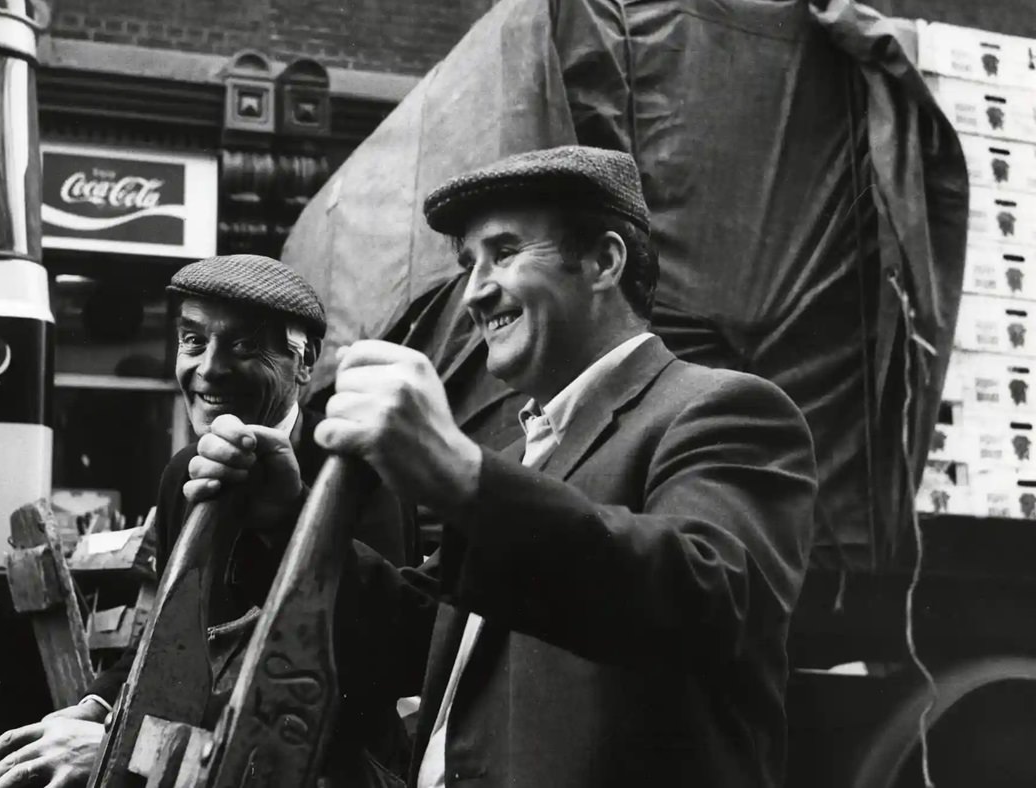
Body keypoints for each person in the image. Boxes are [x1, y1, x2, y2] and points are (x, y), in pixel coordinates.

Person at [189, 145, 819, 786]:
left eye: (506, 253)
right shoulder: (521, 454)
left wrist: (463, 478)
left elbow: (704, 596)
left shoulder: (725, 410)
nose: (474, 292)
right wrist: (287, 519)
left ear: (604, 261)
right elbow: (415, 637)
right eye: (469, 264)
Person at [0, 255, 411, 788]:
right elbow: (169, 627)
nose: (208, 369)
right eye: (193, 341)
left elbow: (360, 673)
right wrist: (93, 706)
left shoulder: (363, 470)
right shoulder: (185, 470)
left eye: (244, 346)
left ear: (304, 361)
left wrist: (127, 742)